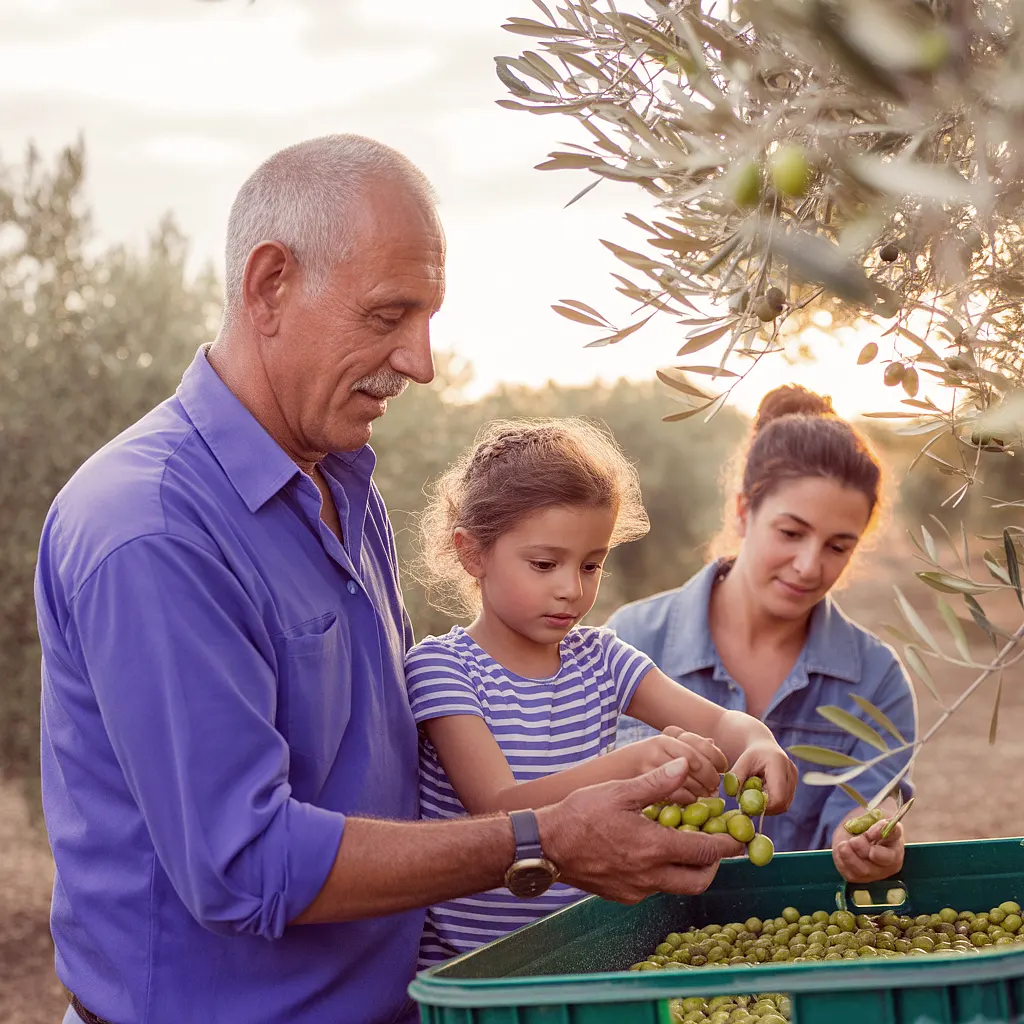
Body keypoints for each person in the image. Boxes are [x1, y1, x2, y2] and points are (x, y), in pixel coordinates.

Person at [36, 134, 747, 1024]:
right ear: (269, 287)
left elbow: (389, 768)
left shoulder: (343, 482)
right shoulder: (151, 527)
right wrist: (544, 840)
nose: (422, 362)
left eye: (428, 319)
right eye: (387, 316)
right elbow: (244, 864)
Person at [405, 417, 799, 965]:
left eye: (592, 565)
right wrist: (631, 765)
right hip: (475, 969)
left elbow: (719, 724)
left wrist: (758, 742)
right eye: (545, 564)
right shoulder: (444, 670)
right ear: (473, 553)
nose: (572, 589)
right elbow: (498, 809)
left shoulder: (603, 660)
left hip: (587, 954)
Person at [611, 385, 919, 886]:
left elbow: (861, 813)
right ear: (742, 511)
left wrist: (867, 844)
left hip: (797, 946)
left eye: (838, 546)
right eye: (791, 533)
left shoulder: (876, 681)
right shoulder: (630, 640)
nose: (808, 566)